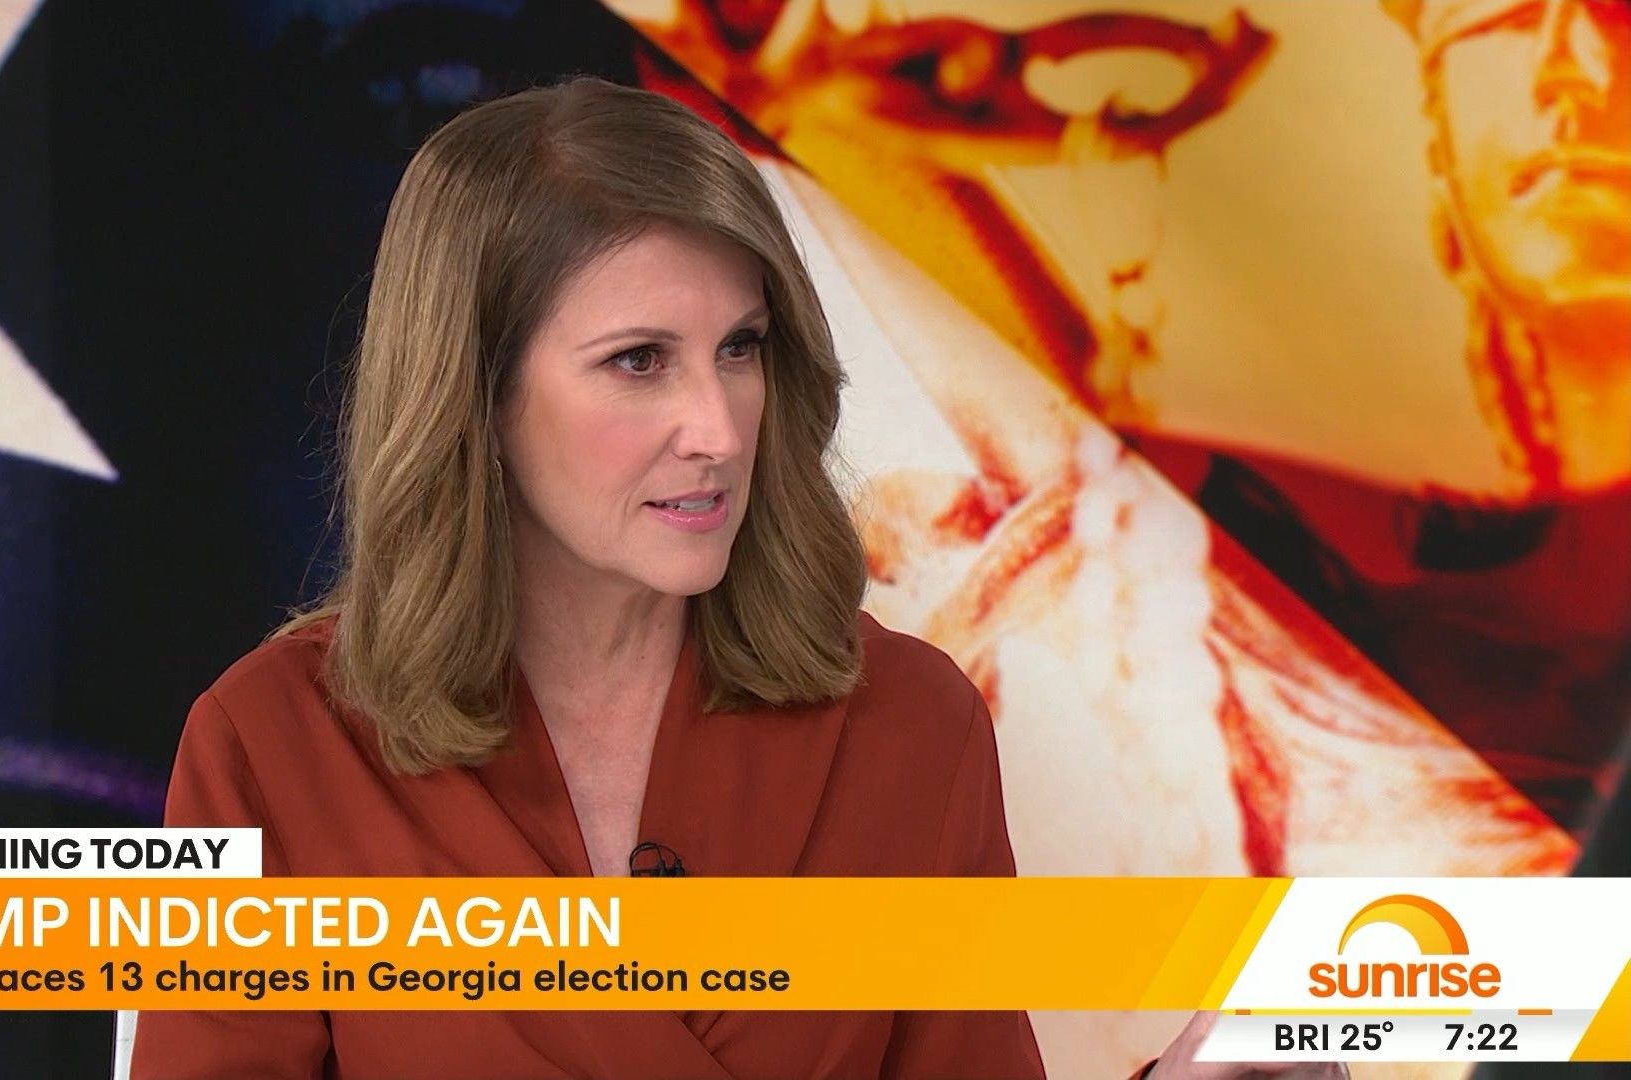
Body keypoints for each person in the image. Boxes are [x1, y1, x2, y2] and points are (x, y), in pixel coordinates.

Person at [129, 74, 1339, 1080]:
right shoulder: (268, 747)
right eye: (639, 361)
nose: (717, 427)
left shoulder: (911, 725)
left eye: (741, 349)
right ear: (476, 396)